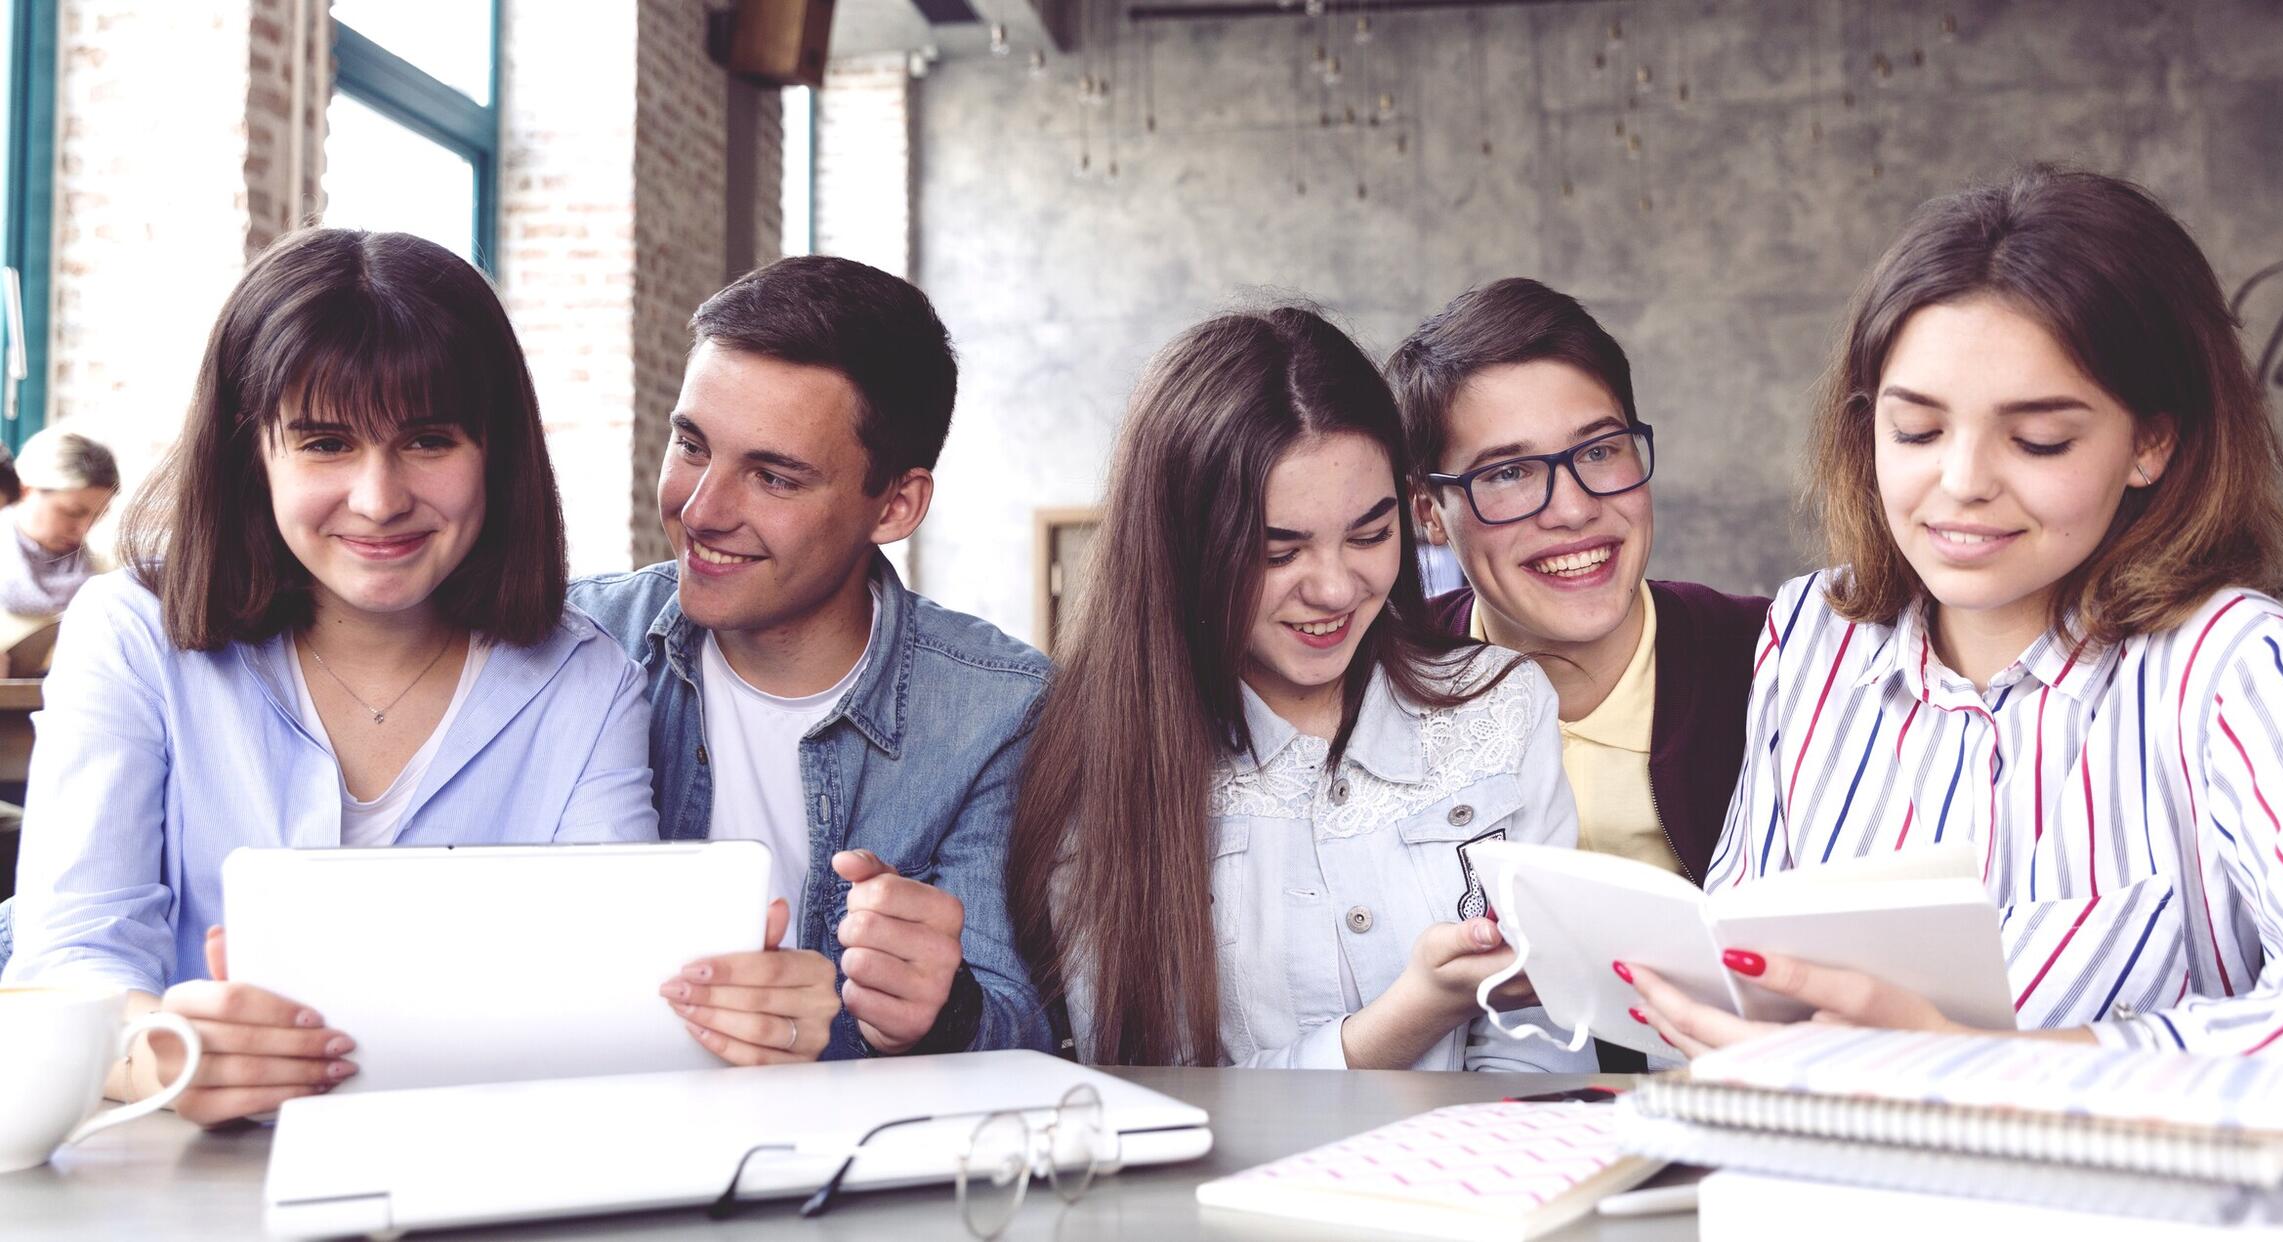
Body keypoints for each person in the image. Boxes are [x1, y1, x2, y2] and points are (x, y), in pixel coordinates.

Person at [1618, 168, 2283, 1141]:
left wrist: (1976, 1071)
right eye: (1914, 428)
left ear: (2150, 443)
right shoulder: (1812, 636)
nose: (1959, 484)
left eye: (2036, 441)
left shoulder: (2225, 667)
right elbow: (1746, 963)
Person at [0, 229, 661, 1126]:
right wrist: (158, 1055)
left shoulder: (588, 683)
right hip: (181, 1173)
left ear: (496, 454)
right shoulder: (131, 636)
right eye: (323, 443)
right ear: (251, 457)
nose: (380, 498)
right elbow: (74, 953)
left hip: (484, 1166)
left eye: (429, 440)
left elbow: (608, 986)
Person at [1006, 304, 1593, 1073]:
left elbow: (1549, 1049)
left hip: (1478, 1183)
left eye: (1371, 535)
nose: (1335, 588)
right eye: (1277, 551)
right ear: (1185, 549)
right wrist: (1409, 1016)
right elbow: (1156, 1093)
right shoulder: (1100, 764)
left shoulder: (1501, 707)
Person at [570, 257, 1052, 1064]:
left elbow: (1024, 1029)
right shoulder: (574, 643)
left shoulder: (1002, 709)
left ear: (895, 505)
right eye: (691, 445)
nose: (700, 510)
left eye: (773, 477)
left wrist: (946, 1011)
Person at [1389, 279, 1767, 883]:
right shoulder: (1382, 683)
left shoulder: (1777, 660)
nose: (1572, 509)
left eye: (1598, 452)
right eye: (1510, 472)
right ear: (1428, 510)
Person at [0, 427, 118, 619]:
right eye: (73, 513)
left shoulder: (109, 572)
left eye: (97, 516)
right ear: (26, 491)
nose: (83, 530)